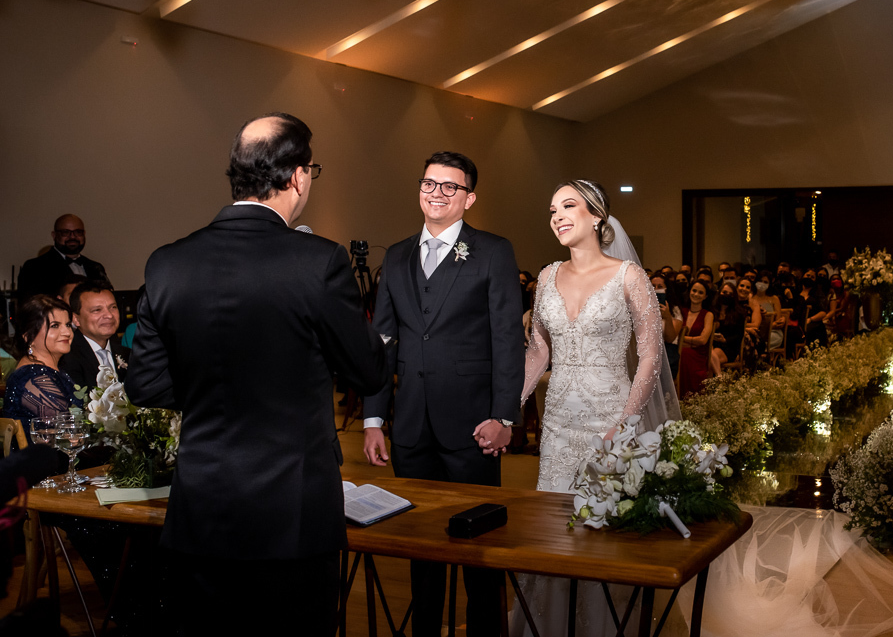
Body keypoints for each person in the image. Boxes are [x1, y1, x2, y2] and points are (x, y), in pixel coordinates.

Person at [127, 112, 387, 636]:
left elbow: (146, 384)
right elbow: (367, 372)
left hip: (201, 509)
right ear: (297, 176)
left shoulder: (167, 263)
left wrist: (214, 385)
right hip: (293, 514)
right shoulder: (319, 262)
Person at [362, 151, 523, 637]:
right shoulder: (396, 255)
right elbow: (383, 342)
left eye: (450, 186)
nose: (437, 193)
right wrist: (374, 419)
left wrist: (504, 417)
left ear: (469, 198)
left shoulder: (492, 251)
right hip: (411, 427)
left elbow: (506, 339)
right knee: (421, 549)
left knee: (480, 550)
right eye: (429, 183)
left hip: (473, 426)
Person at [513, 180, 680, 637]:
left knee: (603, 532)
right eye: (552, 210)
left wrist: (625, 425)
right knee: (554, 531)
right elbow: (538, 352)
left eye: (568, 206)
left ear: (597, 216)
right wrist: (510, 409)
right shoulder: (547, 277)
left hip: (611, 421)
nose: (557, 217)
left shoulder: (629, 276)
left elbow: (651, 356)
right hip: (557, 427)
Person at [2, 295, 76, 432]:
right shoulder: (34, 379)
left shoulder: (50, 370)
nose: (67, 332)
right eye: (55, 326)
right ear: (29, 336)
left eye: (68, 325)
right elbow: (68, 431)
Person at [17, 215, 108, 305]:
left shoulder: (96, 267)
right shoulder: (35, 266)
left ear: (84, 234)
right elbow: (30, 306)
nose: (72, 237)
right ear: (54, 235)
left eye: (78, 232)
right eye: (65, 232)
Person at [58, 281, 128, 390]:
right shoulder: (66, 358)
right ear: (76, 319)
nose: (109, 315)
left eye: (113, 307)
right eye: (97, 310)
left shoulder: (128, 355)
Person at [678, 281, 715, 398]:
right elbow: (673, 336)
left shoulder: (708, 315)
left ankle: (690, 399)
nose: (696, 294)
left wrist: (682, 338)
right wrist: (692, 341)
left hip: (698, 355)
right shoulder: (681, 311)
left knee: (684, 354)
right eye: (694, 291)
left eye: (700, 292)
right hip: (680, 351)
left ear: (705, 296)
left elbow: (703, 340)